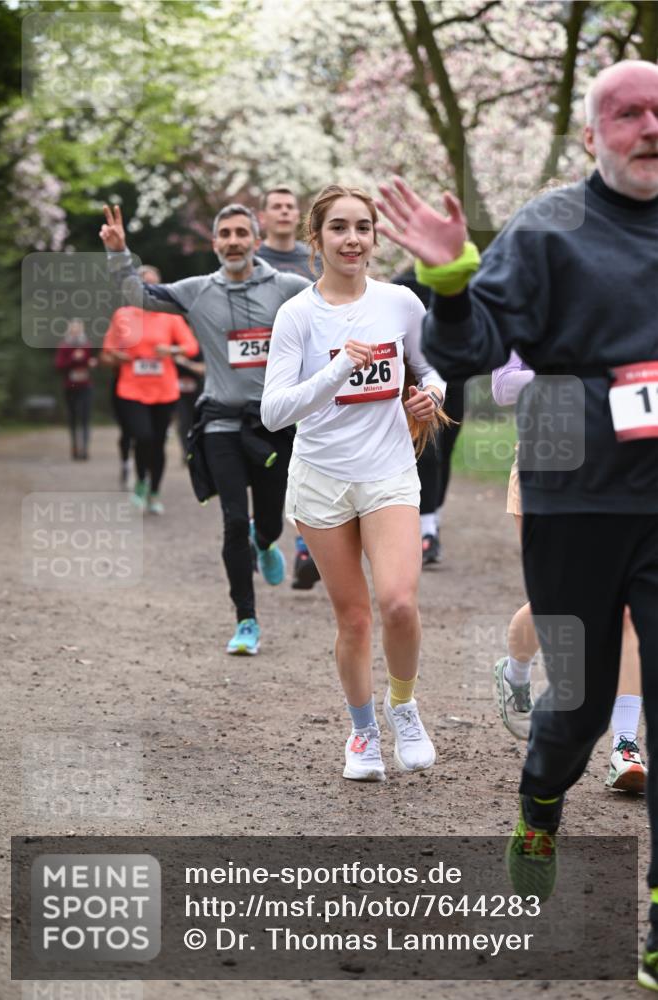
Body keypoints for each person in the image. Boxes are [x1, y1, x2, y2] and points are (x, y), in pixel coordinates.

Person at [376, 60, 658, 985]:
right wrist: (451, 284)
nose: (648, 126)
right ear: (591, 136)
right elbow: (468, 351)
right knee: (574, 704)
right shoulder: (551, 226)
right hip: (575, 493)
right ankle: (540, 804)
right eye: (626, 114)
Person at [262, 184, 449, 782]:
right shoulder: (297, 314)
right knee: (355, 619)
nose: (352, 239)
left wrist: (429, 397)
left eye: (363, 227)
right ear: (315, 239)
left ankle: (405, 707)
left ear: (375, 237)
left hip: (390, 470)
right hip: (321, 480)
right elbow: (274, 411)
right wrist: (340, 364)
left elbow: (433, 369)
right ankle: (363, 732)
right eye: (338, 228)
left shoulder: (400, 302)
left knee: (397, 602)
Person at [100, 203, 310, 653]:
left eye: (241, 233)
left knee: (269, 519)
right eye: (225, 234)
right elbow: (139, 296)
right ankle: (246, 621)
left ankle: (267, 540)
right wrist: (120, 254)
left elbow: (333, 307)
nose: (233, 241)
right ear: (214, 244)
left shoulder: (290, 288)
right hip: (219, 420)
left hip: (272, 422)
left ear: (256, 240)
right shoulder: (197, 291)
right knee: (233, 520)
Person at [492, 350, 647, 793]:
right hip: (548, 468)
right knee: (557, 599)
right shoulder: (540, 299)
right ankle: (516, 673)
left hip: (620, 474)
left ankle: (624, 745)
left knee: (626, 606)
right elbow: (504, 387)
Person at [257, 185, 321, 590]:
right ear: (261, 216)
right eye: (275, 206)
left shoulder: (312, 259)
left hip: (310, 376)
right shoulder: (251, 259)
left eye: (289, 207)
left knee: (307, 459)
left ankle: (305, 545)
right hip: (259, 378)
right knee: (268, 471)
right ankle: (261, 532)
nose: (283, 212)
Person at [100, 265, 199, 514]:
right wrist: (117, 356)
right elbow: (107, 351)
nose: (148, 288)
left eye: (153, 284)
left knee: (157, 443)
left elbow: (191, 346)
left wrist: (172, 351)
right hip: (131, 388)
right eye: (143, 283)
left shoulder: (171, 316)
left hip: (164, 389)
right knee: (142, 437)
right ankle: (141, 481)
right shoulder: (123, 314)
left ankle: (154, 491)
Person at [392, 267, 465, 565]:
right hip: (420, 379)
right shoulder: (402, 286)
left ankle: (433, 517)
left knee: (445, 450)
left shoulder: (461, 282)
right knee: (428, 450)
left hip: (456, 375)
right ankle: (426, 530)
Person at [54, 318, 96, 460]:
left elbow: (89, 361)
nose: (76, 330)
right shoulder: (64, 346)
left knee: (85, 417)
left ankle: (84, 449)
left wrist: (91, 363)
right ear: (69, 330)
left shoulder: (87, 345)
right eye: (74, 328)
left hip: (86, 386)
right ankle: (74, 446)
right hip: (70, 387)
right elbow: (59, 366)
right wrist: (73, 358)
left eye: (79, 328)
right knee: (72, 417)